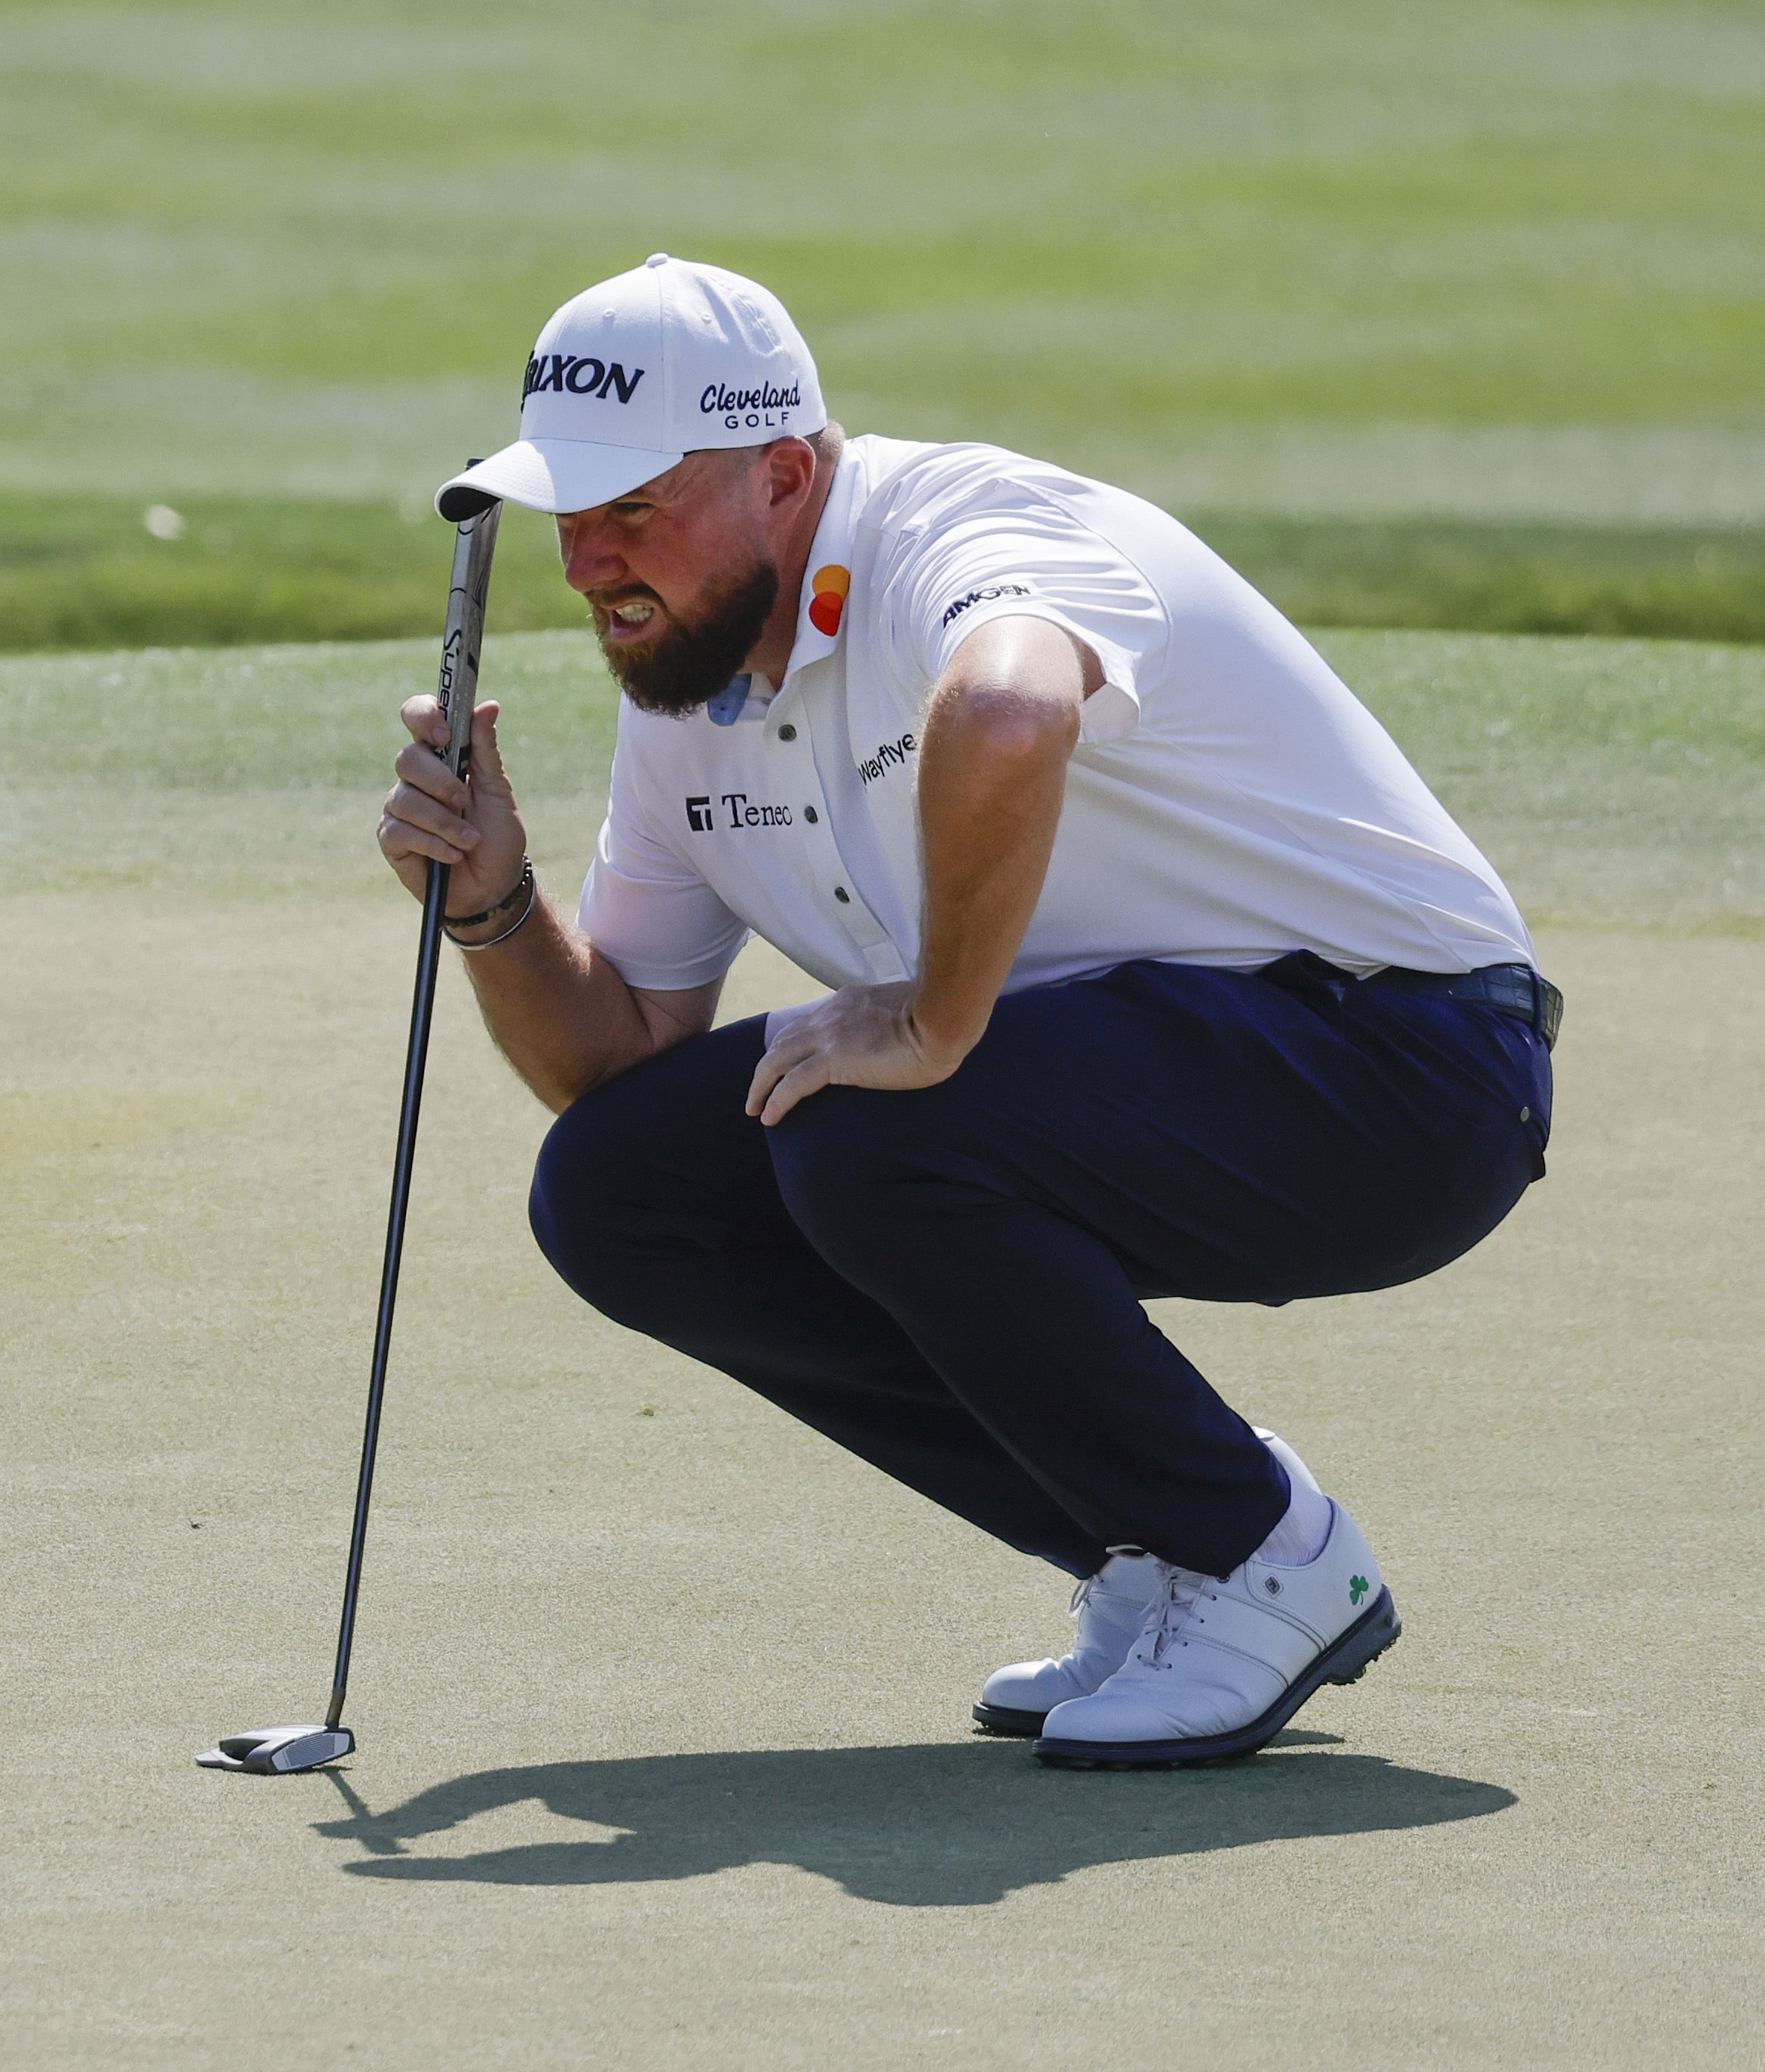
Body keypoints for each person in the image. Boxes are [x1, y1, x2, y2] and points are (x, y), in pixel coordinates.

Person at [381, 255, 1556, 1768]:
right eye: (572, 518)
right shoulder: (689, 707)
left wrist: (929, 1021)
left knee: (871, 1126)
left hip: (1409, 1069)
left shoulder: (961, 533)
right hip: (1161, 1080)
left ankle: (1264, 1555)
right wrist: (493, 898)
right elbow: (620, 1066)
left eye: (635, 510)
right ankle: (1150, 1542)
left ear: (785, 474)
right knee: (625, 1188)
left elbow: (1007, 706)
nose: (588, 562)